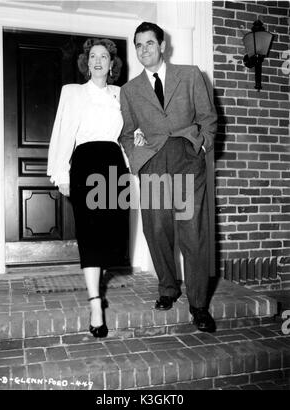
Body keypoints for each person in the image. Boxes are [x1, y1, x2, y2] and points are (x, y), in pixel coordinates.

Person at [119, 22, 218, 333]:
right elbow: (124, 133)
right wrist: (139, 158)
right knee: (158, 229)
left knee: (193, 233)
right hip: (153, 162)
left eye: (149, 43)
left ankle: (199, 305)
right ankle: (168, 289)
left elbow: (208, 119)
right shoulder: (129, 90)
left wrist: (201, 145)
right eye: (138, 45)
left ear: (162, 46)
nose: (144, 50)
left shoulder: (190, 75)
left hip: (188, 159)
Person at [47, 37, 144, 338]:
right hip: (86, 163)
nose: (98, 60)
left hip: (115, 164)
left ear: (112, 64)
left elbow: (131, 131)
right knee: (90, 235)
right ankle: (95, 305)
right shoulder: (73, 92)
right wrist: (60, 172)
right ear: (86, 63)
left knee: (109, 237)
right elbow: (63, 131)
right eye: (93, 56)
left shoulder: (121, 94)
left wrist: (139, 139)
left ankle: (97, 292)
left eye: (104, 56)